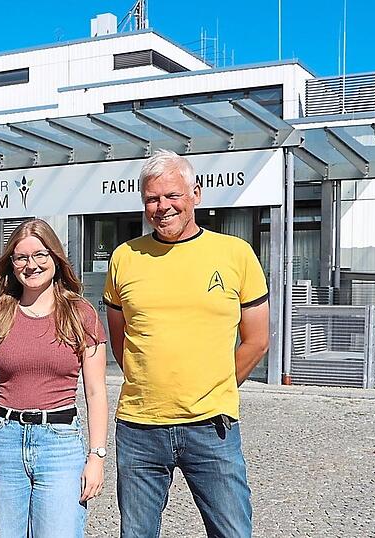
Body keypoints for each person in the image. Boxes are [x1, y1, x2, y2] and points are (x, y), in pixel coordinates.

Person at [104, 149, 270, 538]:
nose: (162, 207)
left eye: (172, 195)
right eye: (152, 198)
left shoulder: (235, 254)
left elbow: (258, 340)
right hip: (140, 428)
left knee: (232, 532)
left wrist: (216, 387)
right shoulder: (125, 257)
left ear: (196, 194)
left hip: (212, 427)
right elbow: (120, 340)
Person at [0, 218, 108, 538]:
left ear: (55, 258)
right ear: (11, 264)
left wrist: (97, 456)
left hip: (60, 443)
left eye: (40, 255)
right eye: (22, 257)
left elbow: (96, 391)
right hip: (5, 442)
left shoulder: (81, 315)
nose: (32, 265)